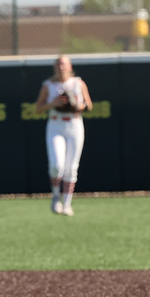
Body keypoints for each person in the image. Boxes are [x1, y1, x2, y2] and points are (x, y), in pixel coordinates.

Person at [34, 54, 93, 216]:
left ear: (70, 67)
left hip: (74, 124)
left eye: (64, 64)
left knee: (71, 167)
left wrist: (78, 105)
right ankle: (55, 195)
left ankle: (67, 203)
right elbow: (37, 108)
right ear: (54, 67)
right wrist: (53, 103)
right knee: (57, 165)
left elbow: (89, 105)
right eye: (59, 64)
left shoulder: (77, 83)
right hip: (56, 124)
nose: (61, 67)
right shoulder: (49, 85)